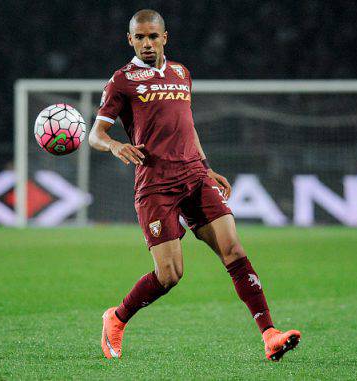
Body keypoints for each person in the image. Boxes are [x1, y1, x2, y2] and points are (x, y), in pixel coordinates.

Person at [89, 9, 301, 361]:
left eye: (152, 36)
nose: (146, 43)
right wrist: (114, 145)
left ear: (164, 37)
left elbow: (187, 125)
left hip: (194, 175)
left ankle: (270, 334)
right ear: (130, 40)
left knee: (233, 249)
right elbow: (96, 133)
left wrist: (206, 166)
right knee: (170, 275)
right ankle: (117, 317)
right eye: (139, 37)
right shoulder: (121, 80)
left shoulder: (181, 73)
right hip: (155, 184)